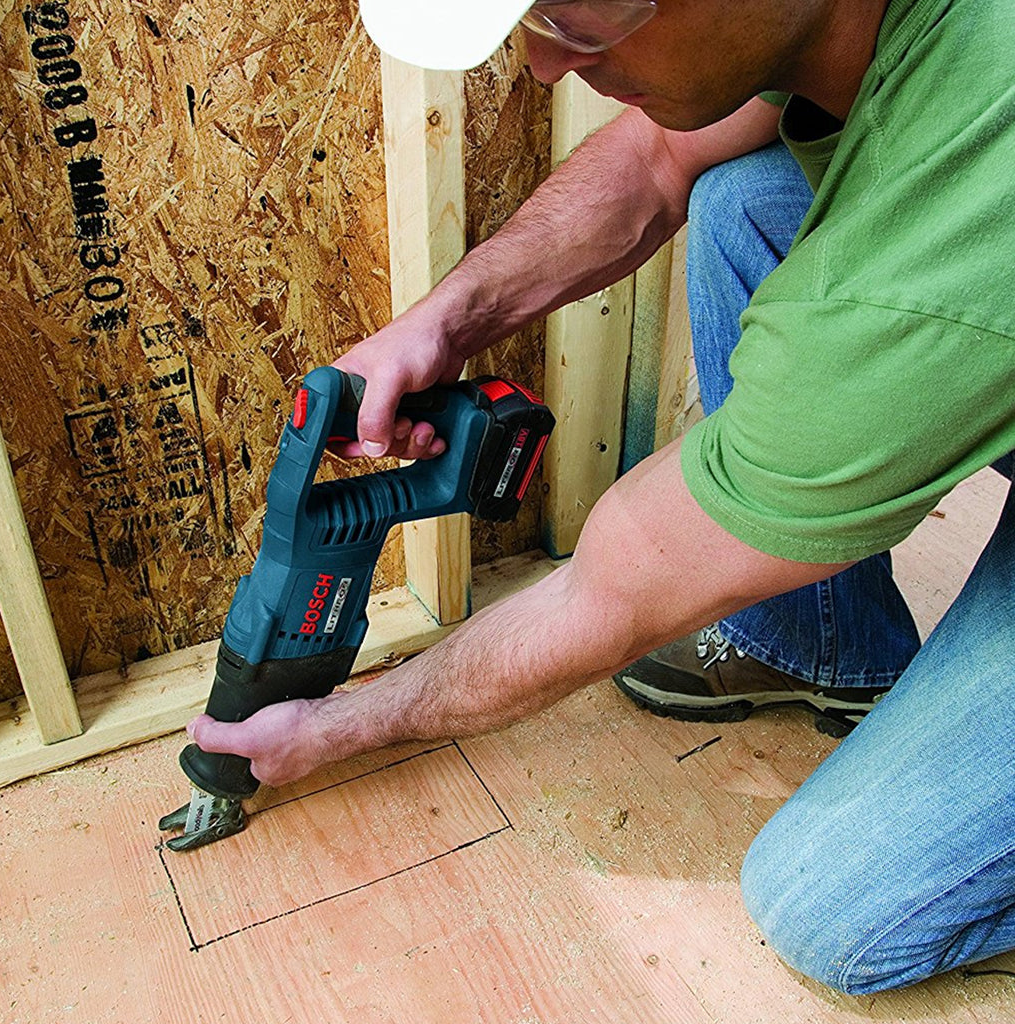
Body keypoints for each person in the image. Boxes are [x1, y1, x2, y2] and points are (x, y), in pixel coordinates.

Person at [188, 0, 1015, 994]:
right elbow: (657, 161)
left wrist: (334, 727)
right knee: (742, 195)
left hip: (967, 290)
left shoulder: (911, 280)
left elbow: (608, 598)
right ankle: (821, 650)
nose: (542, 66)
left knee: (834, 908)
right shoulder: (832, 26)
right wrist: (446, 320)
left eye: (572, 17)